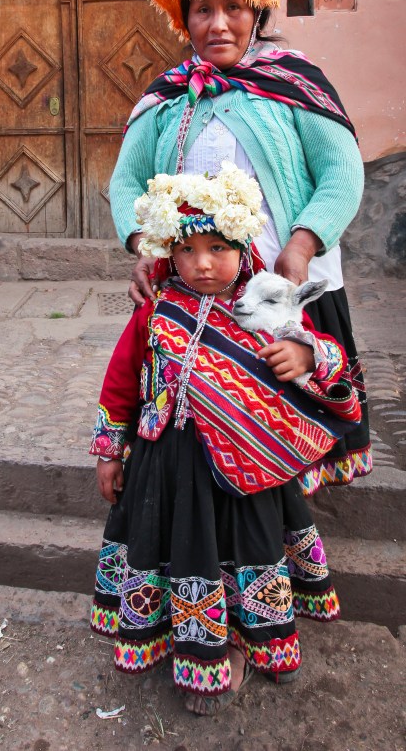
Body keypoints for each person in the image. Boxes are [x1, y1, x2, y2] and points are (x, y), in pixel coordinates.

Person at [90, 168, 361, 715]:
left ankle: (251, 643)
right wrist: (108, 452)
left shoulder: (268, 304)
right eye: (186, 250)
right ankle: (195, 655)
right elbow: (121, 381)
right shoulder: (156, 310)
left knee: (244, 555)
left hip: (249, 477)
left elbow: (328, 360)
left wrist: (306, 356)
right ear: (168, 253)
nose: (203, 263)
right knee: (184, 555)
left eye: (218, 247)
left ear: (243, 246)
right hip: (168, 466)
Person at [109, 0, 371, 496]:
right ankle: (208, 533)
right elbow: (126, 182)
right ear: (185, 19)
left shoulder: (294, 84)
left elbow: (342, 174)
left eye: (234, 8)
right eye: (203, 10)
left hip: (278, 287)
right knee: (202, 424)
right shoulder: (167, 98)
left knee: (280, 413)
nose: (219, 24)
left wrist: (301, 245)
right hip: (196, 286)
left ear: (257, 12)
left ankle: (275, 532)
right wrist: (142, 246)